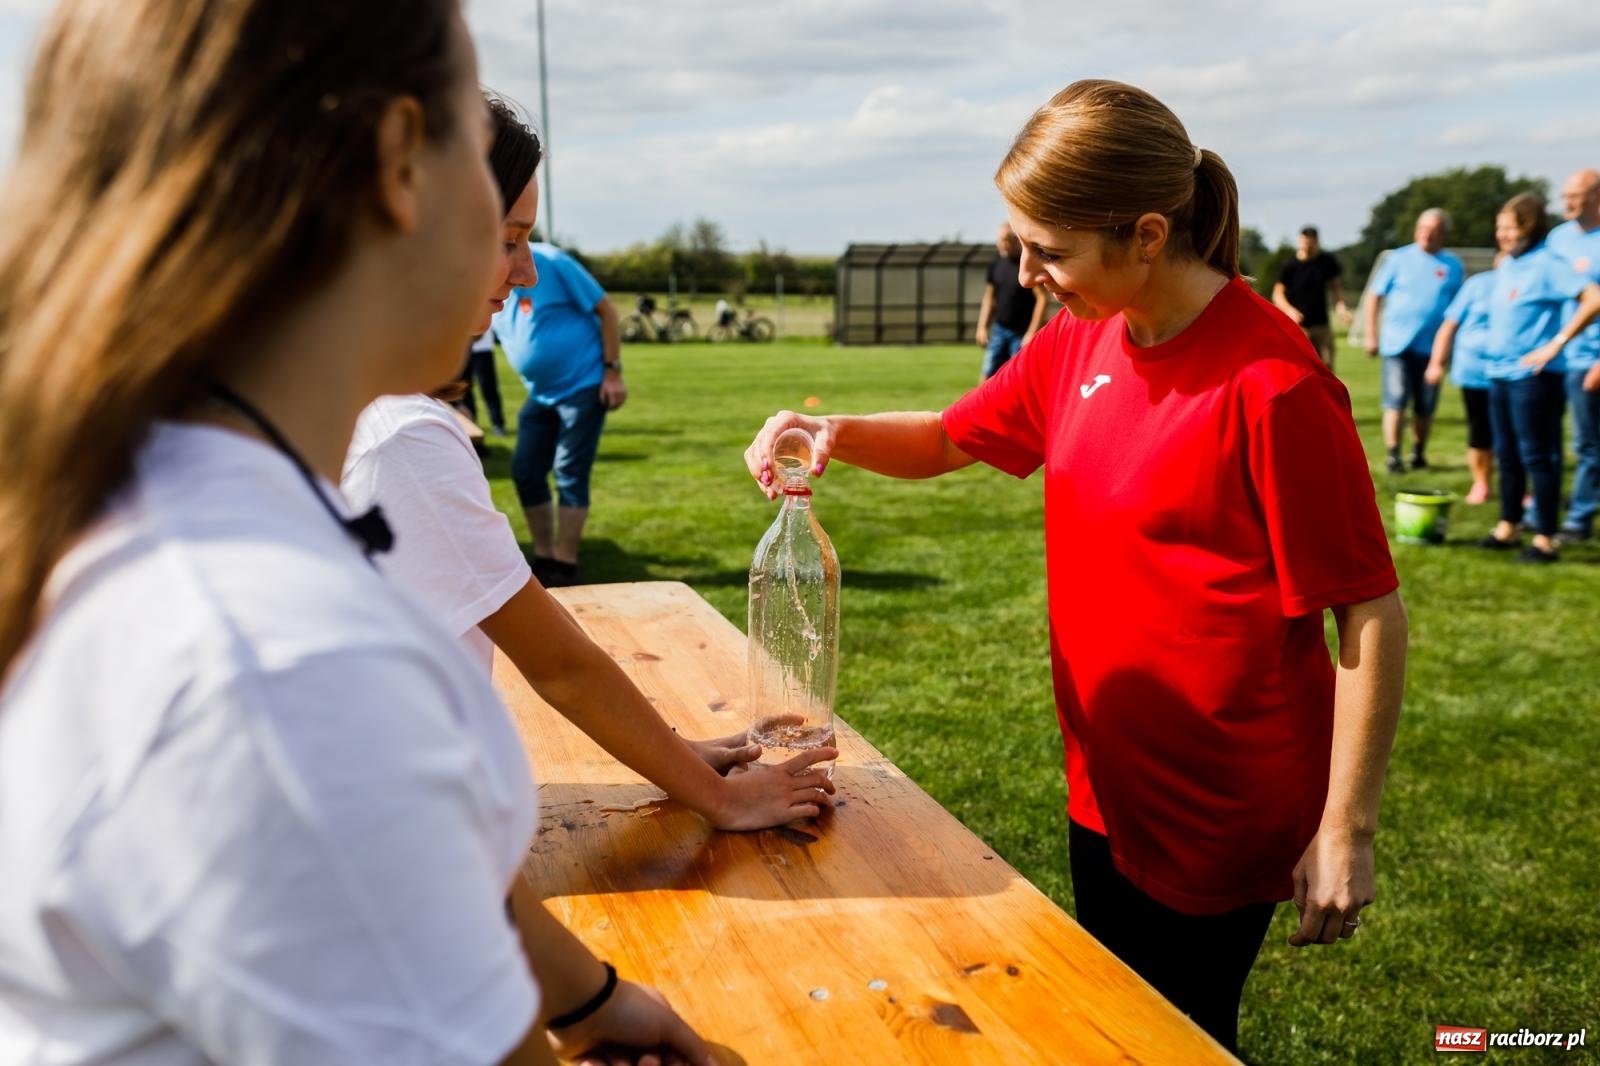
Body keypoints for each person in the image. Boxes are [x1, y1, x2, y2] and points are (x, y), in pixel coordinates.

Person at [0, 3, 713, 1064]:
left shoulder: (174, 491)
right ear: (397, 165)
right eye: (489, 185)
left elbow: (385, 859)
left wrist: (585, 996)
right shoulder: (282, 665)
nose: (521, 268)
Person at [745, 79, 1407, 1055]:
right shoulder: (1082, 339)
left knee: (1171, 1036)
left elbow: (1368, 614)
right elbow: (947, 436)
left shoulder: (1272, 384)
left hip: (1221, 802)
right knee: (1107, 1022)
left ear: (1145, 234)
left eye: (1046, 251)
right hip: (1103, 780)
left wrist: (1344, 826)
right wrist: (827, 429)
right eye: (1018, 245)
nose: (1025, 275)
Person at [343, 94, 836, 831]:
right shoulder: (402, 438)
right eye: (508, 239)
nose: (526, 274)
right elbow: (560, 667)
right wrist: (726, 798)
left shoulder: (352, 401)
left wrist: (677, 753)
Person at [1476, 192, 1600, 563]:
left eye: (1508, 227)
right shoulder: (1509, 264)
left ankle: (1545, 538)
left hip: (1534, 377)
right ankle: (1508, 526)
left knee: (1537, 456)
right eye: (1499, 227)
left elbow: (1593, 298)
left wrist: (1556, 344)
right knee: (1508, 455)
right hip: (1499, 374)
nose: (1501, 234)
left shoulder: (1548, 264)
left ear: (1528, 228)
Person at [493, 244, 624, 588]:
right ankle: (544, 555)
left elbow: (607, 311)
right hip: (541, 394)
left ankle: (565, 564)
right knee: (525, 470)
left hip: (583, 383)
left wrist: (612, 372)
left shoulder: (551, 262)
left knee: (569, 471)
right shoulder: (486, 271)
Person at [1363, 209, 1464, 472]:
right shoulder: (1398, 259)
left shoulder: (1452, 265)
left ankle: (1418, 453)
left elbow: (1458, 309)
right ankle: (1393, 455)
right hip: (1397, 344)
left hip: (1432, 349)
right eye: (1422, 228)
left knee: (1425, 406)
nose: (1426, 234)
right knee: (1395, 400)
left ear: (1443, 234)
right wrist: (1372, 334)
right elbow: (1374, 297)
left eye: (1433, 230)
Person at [1547, 167, 1600, 542]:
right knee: (1546, 443)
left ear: (1596, 197)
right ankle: (1544, 509)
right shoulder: (1556, 239)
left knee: (1587, 443)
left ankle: (1579, 519)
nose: (1566, 202)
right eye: (1564, 194)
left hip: (1590, 359)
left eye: (1575, 195)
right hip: (1555, 357)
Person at [1426, 254, 1504, 505]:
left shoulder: (1531, 283)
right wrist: (1436, 363)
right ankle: (1481, 483)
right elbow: (1449, 325)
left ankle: (1514, 486)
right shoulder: (1477, 285)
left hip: (1515, 373)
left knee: (1511, 435)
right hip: (1475, 372)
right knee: (1480, 430)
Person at [975, 223, 1049, 379]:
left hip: (1021, 332)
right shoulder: (996, 265)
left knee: (1018, 376)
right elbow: (989, 298)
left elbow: (1042, 298)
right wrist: (982, 326)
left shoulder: (1026, 266)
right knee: (988, 373)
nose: (1002, 245)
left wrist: (1031, 332)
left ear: (1016, 240)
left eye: (1006, 240)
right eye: (999, 240)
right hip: (1000, 329)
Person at [1272, 225, 1349, 370]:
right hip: (1299, 326)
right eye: (1304, 243)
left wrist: (1341, 307)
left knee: (1327, 367)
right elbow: (1277, 294)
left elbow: (1336, 287)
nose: (1307, 247)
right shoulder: (1290, 266)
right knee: (1304, 367)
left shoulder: (1327, 262)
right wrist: (1289, 310)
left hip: (1322, 324)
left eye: (1310, 243)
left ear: (1316, 242)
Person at [461, 329, 508, 436]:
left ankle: (498, 424)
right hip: (462, 349)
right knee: (465, 389)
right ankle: (471, 423)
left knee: (488, 387)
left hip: (482, 349)